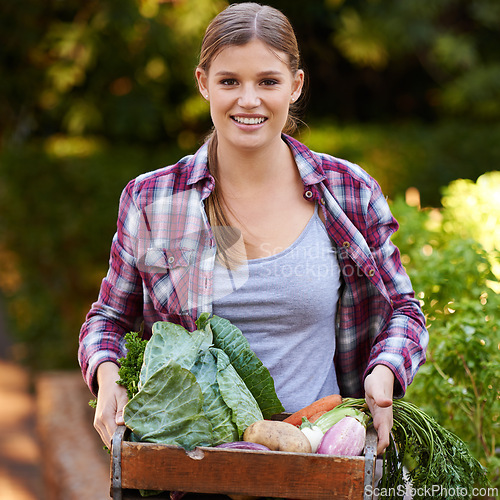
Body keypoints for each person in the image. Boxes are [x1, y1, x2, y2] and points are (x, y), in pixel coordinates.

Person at [78, 2, 428, 456]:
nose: (248, 99)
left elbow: (405, 309)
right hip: (192, 464)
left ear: (295, 86)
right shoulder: (155, 200)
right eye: (229, 81)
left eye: (267, 81)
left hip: (320, 455)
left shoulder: (347, 191)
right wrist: (107, 376)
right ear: (203, 83)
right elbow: (108, 321)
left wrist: (384, 372)